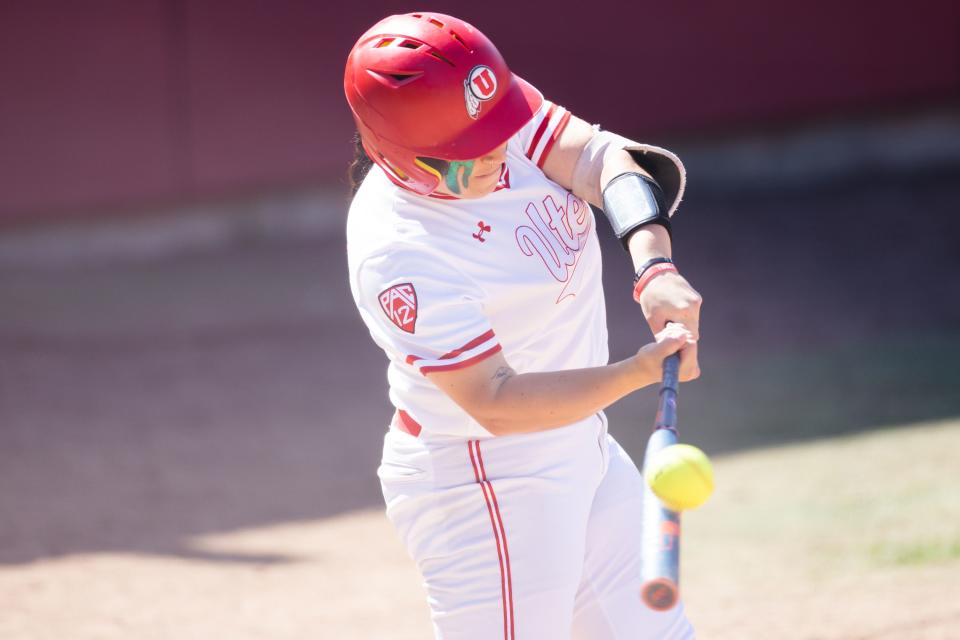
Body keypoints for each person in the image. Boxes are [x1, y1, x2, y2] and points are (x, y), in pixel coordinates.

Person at [344, 12, 702, 639]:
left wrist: (653, 264)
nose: (498, 150)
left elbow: (600, 158)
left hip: (581, 445)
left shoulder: (488, 111)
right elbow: (497, 401)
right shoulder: (398, 251)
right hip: (487, 482)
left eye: (499, 128)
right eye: (468, 149)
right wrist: (635, 372)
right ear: (402, 157)